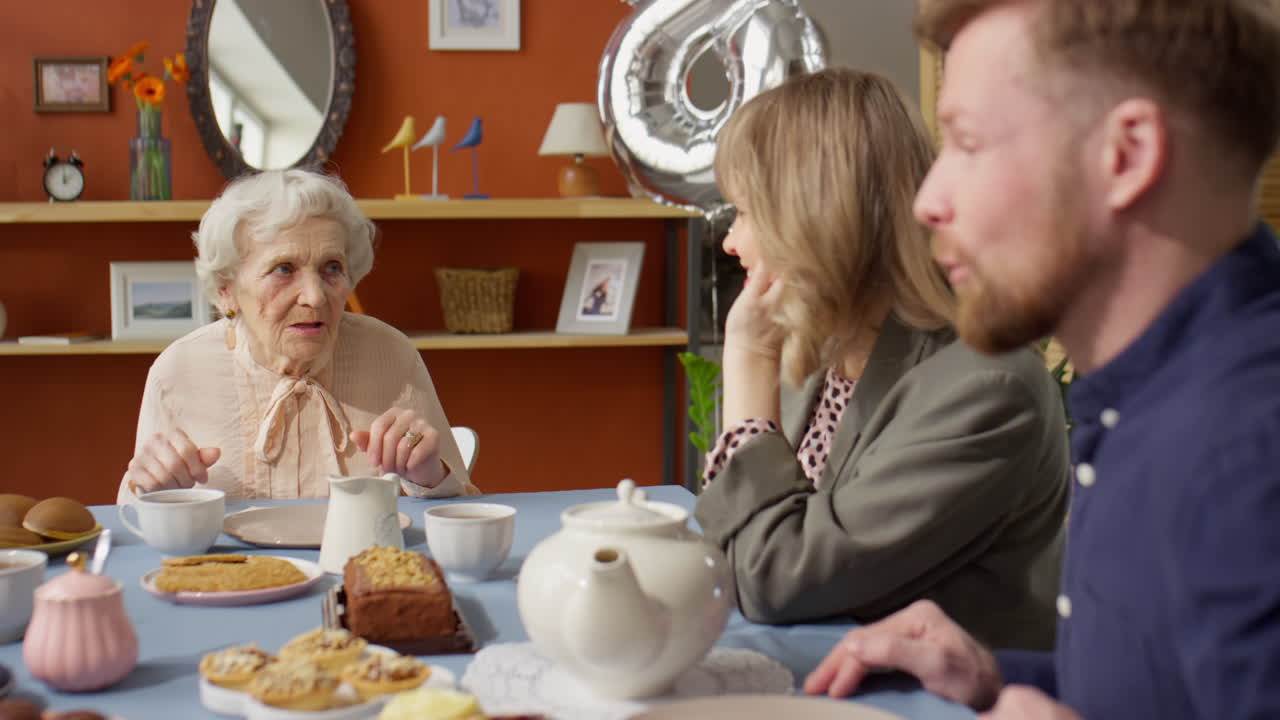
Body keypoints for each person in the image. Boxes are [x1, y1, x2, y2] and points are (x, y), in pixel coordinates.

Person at [805, 1, 1280, 718]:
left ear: (1126, 156)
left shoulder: (1247, 450)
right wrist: (993, 675)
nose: (928, 201)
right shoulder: (1154, 398)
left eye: (968, 143)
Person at [692, 67, 1071, 651]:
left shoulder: (987, 391)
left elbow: (774, 578)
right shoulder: (820, 355)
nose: (730, 242)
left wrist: (747, 359)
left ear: (813, 219)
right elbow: (735, 545)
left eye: (744, 213)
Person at [117, 169, 478, 502]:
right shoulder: (178, 371)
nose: (315, 297)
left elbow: (463, 512)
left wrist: (429, 477)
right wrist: (151, 490)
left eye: (332, 268)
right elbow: (132, 517)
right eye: (284, 269)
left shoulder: (391, 355)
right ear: (226, 289)